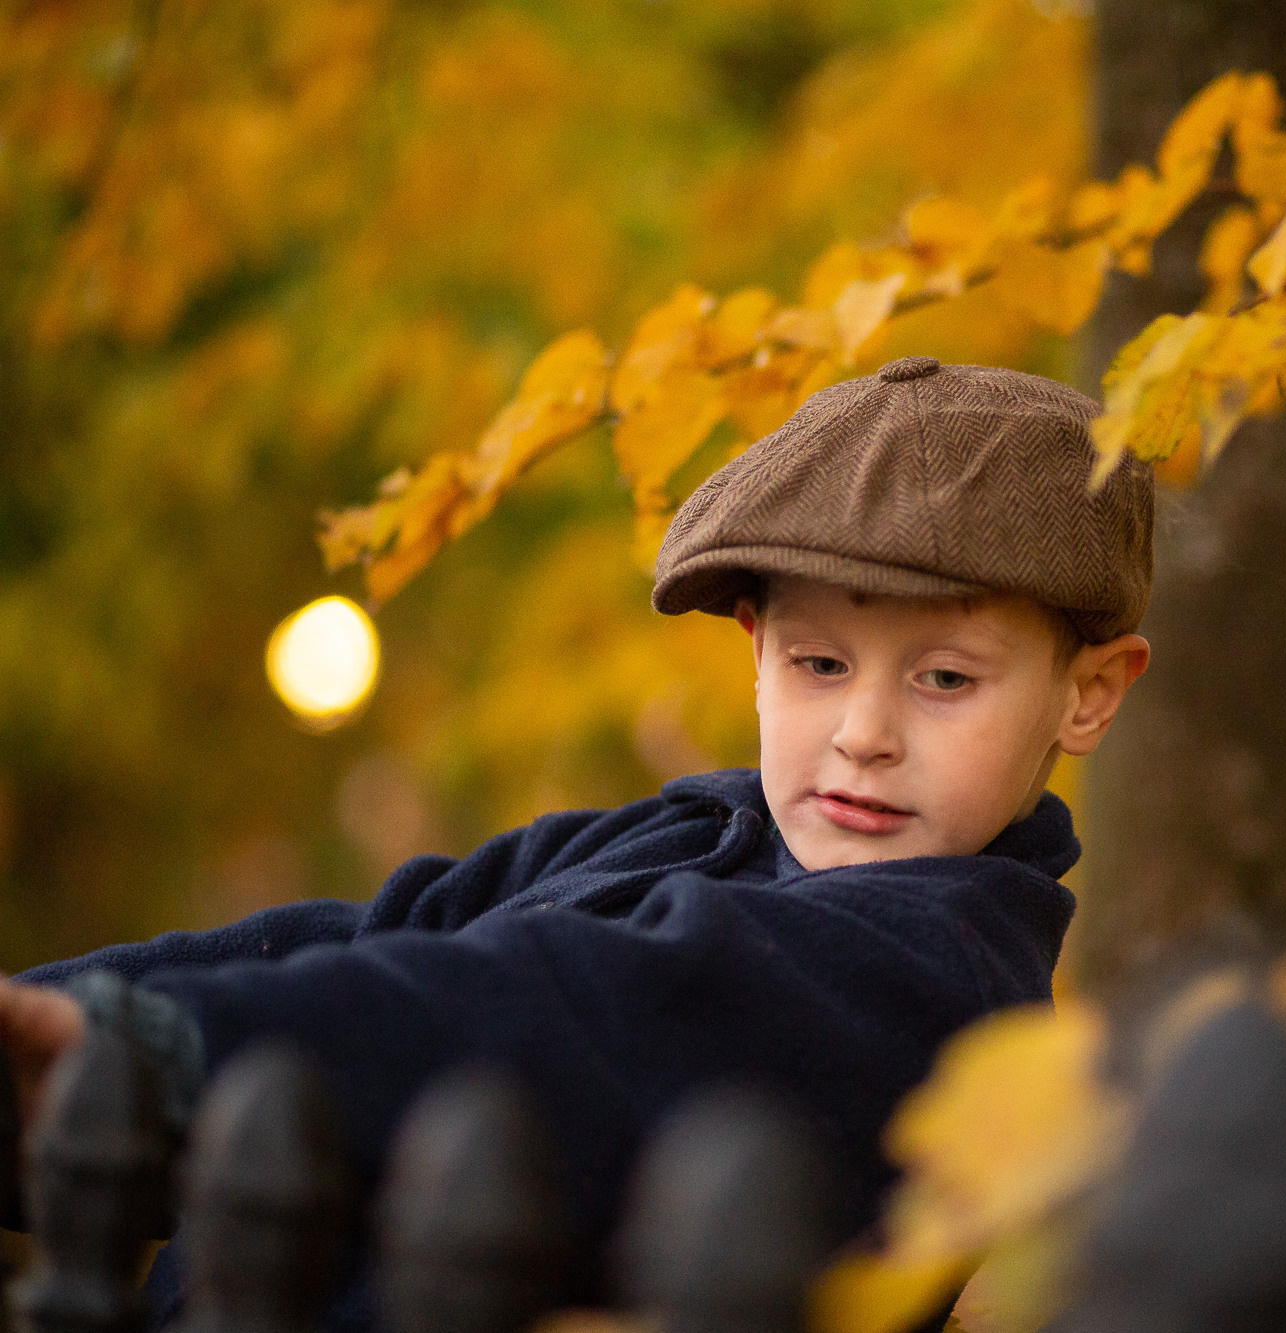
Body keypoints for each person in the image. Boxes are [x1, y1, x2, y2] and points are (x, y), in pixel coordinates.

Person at [0, 354, 1154, 1327]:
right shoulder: (686, 830)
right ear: (753, 651)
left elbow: (582, 1007)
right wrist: (77, 1016)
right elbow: (388, 930)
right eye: (817, 664)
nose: (862, 734)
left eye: (944, 678)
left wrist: (163, 1051)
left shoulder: (939, 978)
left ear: (1088, 693)